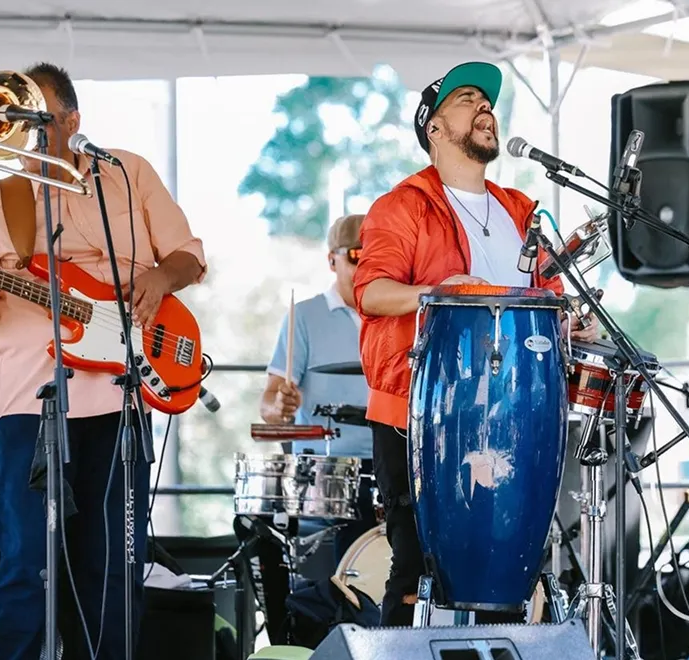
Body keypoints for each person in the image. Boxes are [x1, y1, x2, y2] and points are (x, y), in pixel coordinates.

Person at [0, 62, 206, 660]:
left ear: (74, 120)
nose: (28, 133)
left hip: (122, 395)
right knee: (26, 562)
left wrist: (160, 278)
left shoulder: (127, 173)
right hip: (30, 400)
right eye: (15, 120)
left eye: (41, 119)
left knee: (113, 565)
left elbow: (188, 254)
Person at [352, 61, 598, 627]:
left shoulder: (521, 210)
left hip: (514, 413)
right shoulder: (403, 206)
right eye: (467, 99)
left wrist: (568, 324)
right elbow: (372, 292)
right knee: (417, 571)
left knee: (506, 575)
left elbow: (546, 300)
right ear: (434, 129)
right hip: (421, 413)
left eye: (487, 102)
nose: (485, 107)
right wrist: (438, 292)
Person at [253, 213, 377, 642]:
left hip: (389, 462)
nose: (366, 265)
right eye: (356, 255)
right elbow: (269, 402)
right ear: (332, 260)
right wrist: (280, 407)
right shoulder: (304, 316)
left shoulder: (395, 316)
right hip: (327, 469)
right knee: (329, 577)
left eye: (376, 256)